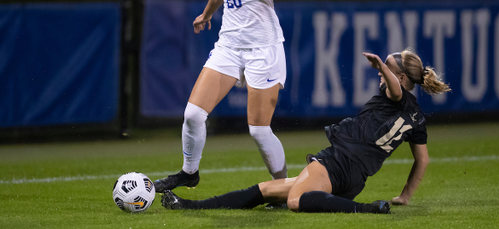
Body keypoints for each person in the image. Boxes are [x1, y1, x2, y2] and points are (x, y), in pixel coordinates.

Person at [160, 49, 451, 213]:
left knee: (295, 200)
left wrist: (381, 65)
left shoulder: (394, 95)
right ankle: (189, 206)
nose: (380, 72)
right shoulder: (417, 118)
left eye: (386, 69)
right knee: (266, 191)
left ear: (399, 77)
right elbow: (422, 160)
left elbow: (397, 91)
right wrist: (405, 196)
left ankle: (368, 210)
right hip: (354, 177)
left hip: (337, 163)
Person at [154, 0, 301, 193]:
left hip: (264, 48)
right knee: (193, 115)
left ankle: (283, 186)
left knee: (259, 130)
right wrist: (207, 14)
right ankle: (189, 173)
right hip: (229, 46)